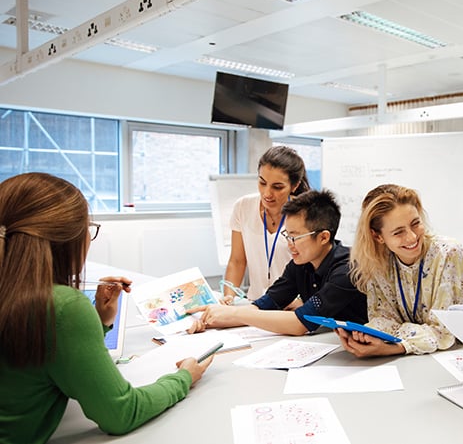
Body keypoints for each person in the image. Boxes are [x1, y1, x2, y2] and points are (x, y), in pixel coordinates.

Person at [0, 173, 213, 444]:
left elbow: (34, 360)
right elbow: (121, 413)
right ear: (66, 240)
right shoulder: (62, 307)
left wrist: (100, 321)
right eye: (88, 229)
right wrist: (184, 378)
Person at [188, 189, 367, 335]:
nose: (290, 245)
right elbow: (264, 306)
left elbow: (300, 323)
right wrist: (211, 318)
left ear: (323, 237)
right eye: (287, 236)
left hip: (369, 354)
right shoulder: (301, 263)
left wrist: (234, 313)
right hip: (333, 343)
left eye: (295, 237)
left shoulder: (347, 269)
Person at [335, 184, 463, 357]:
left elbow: (443, 332)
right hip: (409, 360)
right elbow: (383, 320)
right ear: (378, 236)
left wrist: (394, 346)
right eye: (398, 232)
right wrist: (364, 335)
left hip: (457, 358)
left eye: (415, 223)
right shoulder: (378, 261)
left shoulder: (448, 253)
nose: (412, 237)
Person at [221, 145, 310, 303]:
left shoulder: (306, 215)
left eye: (277, 187)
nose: (267, 193)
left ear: (294, 186)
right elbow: (237, 261)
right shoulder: (243, 207)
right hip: (255, 304)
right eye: (262, 183)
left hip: (291, 306)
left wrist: (302, 301)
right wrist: (229, 296)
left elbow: (313, 269)